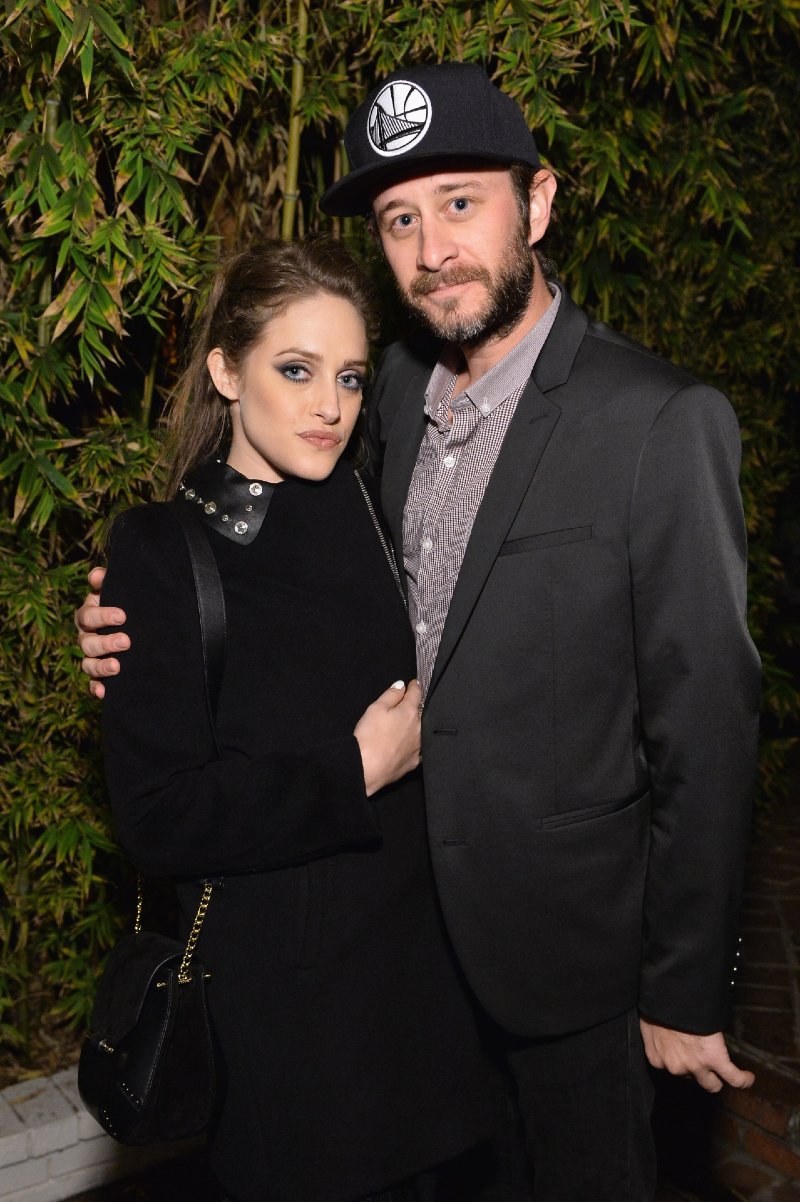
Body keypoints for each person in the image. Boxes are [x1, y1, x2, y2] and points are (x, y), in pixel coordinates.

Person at [78, 64, 762, 1201]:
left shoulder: (655, 422)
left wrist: (682, 986)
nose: (430, 246)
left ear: (535, 205)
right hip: (404, 968)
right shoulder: (385, 397)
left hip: (565, 959)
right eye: (400, 217)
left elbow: (707, 724)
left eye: (460, 203)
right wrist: (124, 616)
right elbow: (255, 559)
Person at [88, 237, 502, 1202]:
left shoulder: (365, 502)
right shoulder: (162, 550)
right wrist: (347, 772)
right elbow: (159, 816)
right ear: (226, 370)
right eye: (296, 370)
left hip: (417, 986)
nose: (329, 405)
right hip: (287, 1013)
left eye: (350, 376)